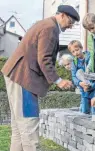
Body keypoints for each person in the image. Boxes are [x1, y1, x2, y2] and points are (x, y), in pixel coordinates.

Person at [1, 5, 79, 151]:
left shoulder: (45, 24)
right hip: (24, 79)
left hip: (17, 75)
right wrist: (58, 80)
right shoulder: (50, 28)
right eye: (70, 22)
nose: (71, 26)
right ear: (62, 15)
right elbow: (44, 59)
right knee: (29, 128)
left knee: (19, 129)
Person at [68, 40, 95, 114]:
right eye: (73, 52)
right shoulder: (74, 62)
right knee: (85, 111)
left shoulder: (90, 56)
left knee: (94, 110)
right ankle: (86, 85)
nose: (76, 53)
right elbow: (74, 77)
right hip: (83, 88)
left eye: (77, 50)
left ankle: (88, 85)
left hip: (92, 84)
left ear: (81, 48)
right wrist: (80, 83)